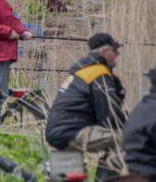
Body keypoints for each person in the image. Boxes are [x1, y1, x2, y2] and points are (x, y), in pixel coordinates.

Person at [45, 33, 127, 179]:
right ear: (104, 52)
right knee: (127, 138)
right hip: (73, 132)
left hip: (58, 132)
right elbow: (109, 116)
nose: (118, 55)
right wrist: (133, 125)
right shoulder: (98, 73)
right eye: (115, 50)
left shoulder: (83, 70)